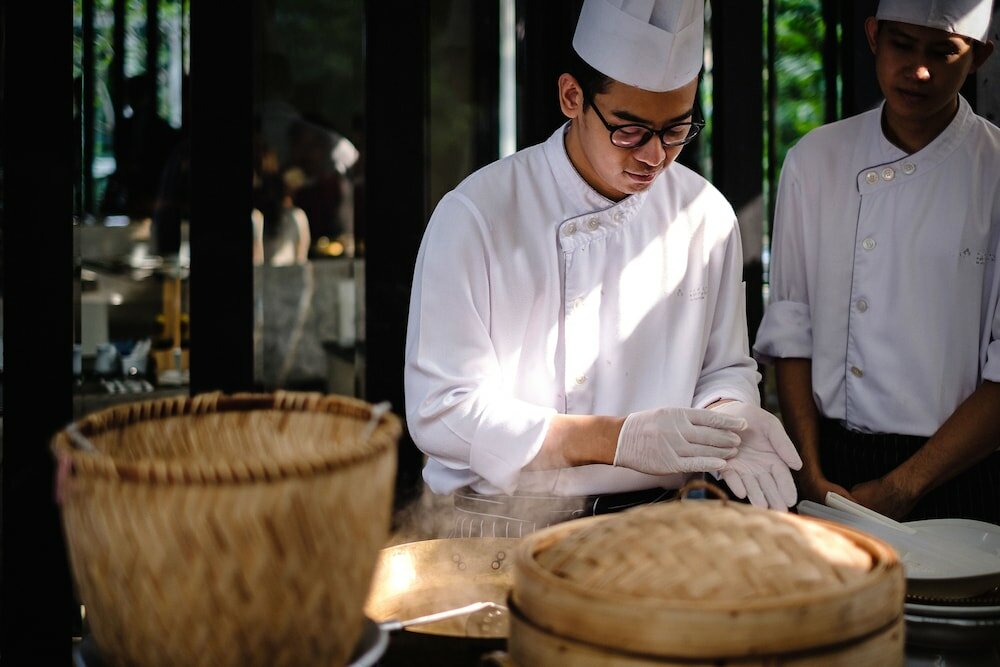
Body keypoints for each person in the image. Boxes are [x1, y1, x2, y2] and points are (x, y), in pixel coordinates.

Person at [404, 0, 802, 538]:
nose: (656, 156)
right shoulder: (479, 214)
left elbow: (721, 368)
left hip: (656, 523)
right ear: (573, 97)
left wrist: (729, 415)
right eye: (630, 130)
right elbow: (440, 410)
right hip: (500, 525)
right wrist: (614, 439)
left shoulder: (705, 216)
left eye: (677, 129)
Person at [754, 0, 1000, 523]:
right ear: (872, 36)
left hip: (957, 472)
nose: (918, 70)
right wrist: (807, 470)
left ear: (978, 56)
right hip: (826, 462)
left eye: (943, 52)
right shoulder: (814, 160)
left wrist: (903, 486)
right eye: (901, 45)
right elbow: (792, 326)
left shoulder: (995, 173)